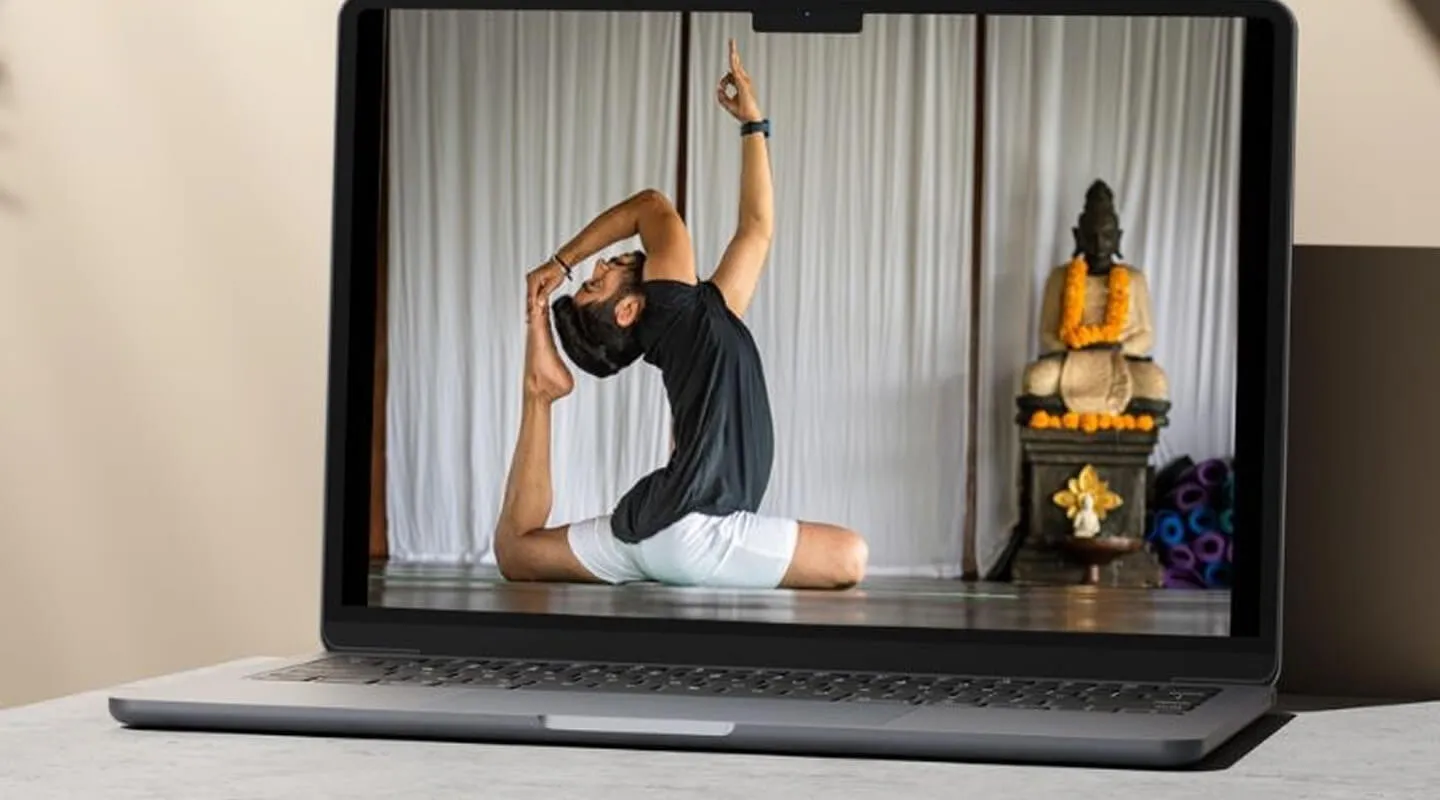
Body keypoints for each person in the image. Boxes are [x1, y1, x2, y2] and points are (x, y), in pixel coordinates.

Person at [493, 40, 868, 590]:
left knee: (517, 553)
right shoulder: (671, 308)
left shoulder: (701, 319)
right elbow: (651, 205)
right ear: (629, 309)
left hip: (647, 531)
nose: (600, 264)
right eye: (596, 282)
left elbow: (756, 229)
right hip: (700, 532)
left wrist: (754, 125)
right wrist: (561, 263)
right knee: (850, 557)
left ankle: (539, 393)